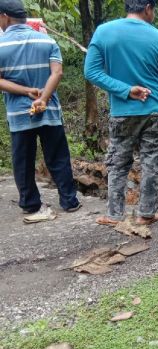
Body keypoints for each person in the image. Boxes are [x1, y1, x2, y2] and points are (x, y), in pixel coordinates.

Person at [84, 0, 158, 226]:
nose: (153, 14)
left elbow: (91, 72)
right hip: (155, 111)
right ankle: (146, 214)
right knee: (151, 162)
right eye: (153, 9)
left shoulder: (104, 32)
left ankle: (114, 215)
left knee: (118, 163)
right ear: (147, 7)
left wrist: (125, 91)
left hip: (122, 112)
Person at [0, 0, 81, 223]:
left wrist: (27, 92)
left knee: (23, 161)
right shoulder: (46, 40)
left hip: (19, 115)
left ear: (5, 17)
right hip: (50, 112)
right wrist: (43, 98)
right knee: (58, 157)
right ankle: (69, 201)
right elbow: (57, 73)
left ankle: (30, 204)